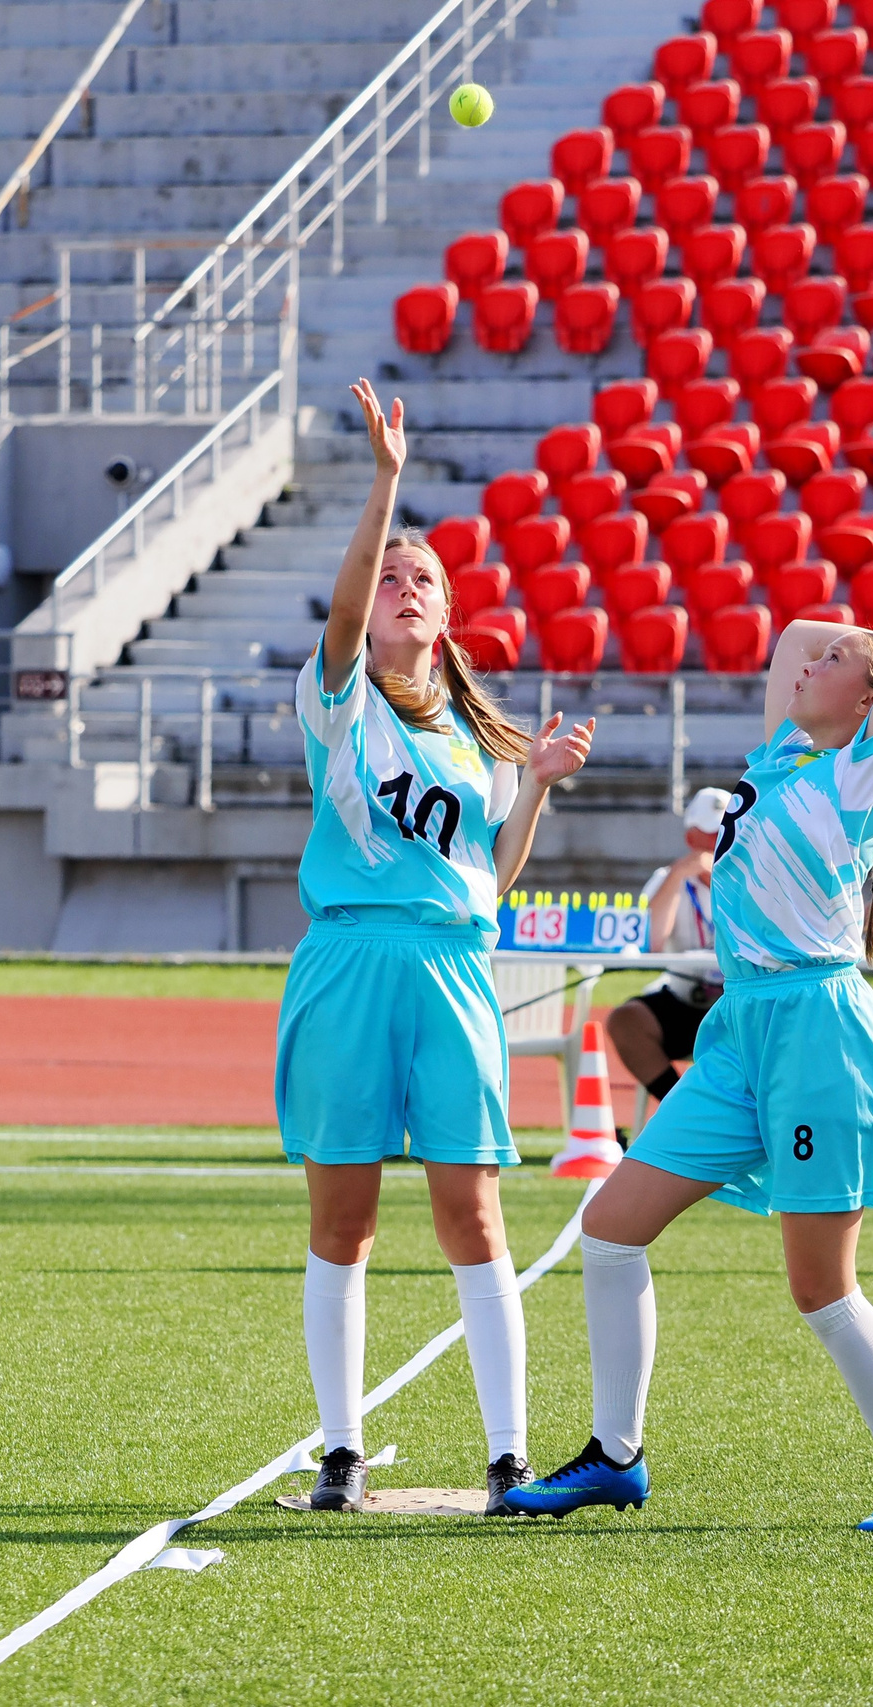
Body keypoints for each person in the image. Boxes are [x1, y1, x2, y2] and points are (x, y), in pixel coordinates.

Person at [503, 610, 873, 1535]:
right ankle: (616, 1456)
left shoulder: (867, 769)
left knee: (821, 1287)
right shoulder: (778, 757)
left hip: (819, 1035)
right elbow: (799, 630)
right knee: (608, 1228)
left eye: (840, 663)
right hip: (739, 1032)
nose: (815, 661)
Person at [280, 379, 595, 1516]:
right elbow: (352, 596)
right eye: (394, 577)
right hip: (350, 964)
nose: (405, 588)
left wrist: (539, 794)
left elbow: (489, 882)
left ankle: (508, 1452)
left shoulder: (482, 740)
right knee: (344, 1216)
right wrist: (385, 484)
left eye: (428, 580)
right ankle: (338, 1450)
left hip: (453, 969)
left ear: (453, 614)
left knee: (473, 1209)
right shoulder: (336, 702)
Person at [603, 786, 730, 1116]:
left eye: (726, 832)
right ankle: (685, 1111)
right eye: (710, 834)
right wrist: (678, 875)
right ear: (691, 840)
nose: (719, 842)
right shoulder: (667, 879)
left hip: (736, 1000)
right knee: (625, 1021)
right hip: (684, 997)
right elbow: (652, 943)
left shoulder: (751, 879)